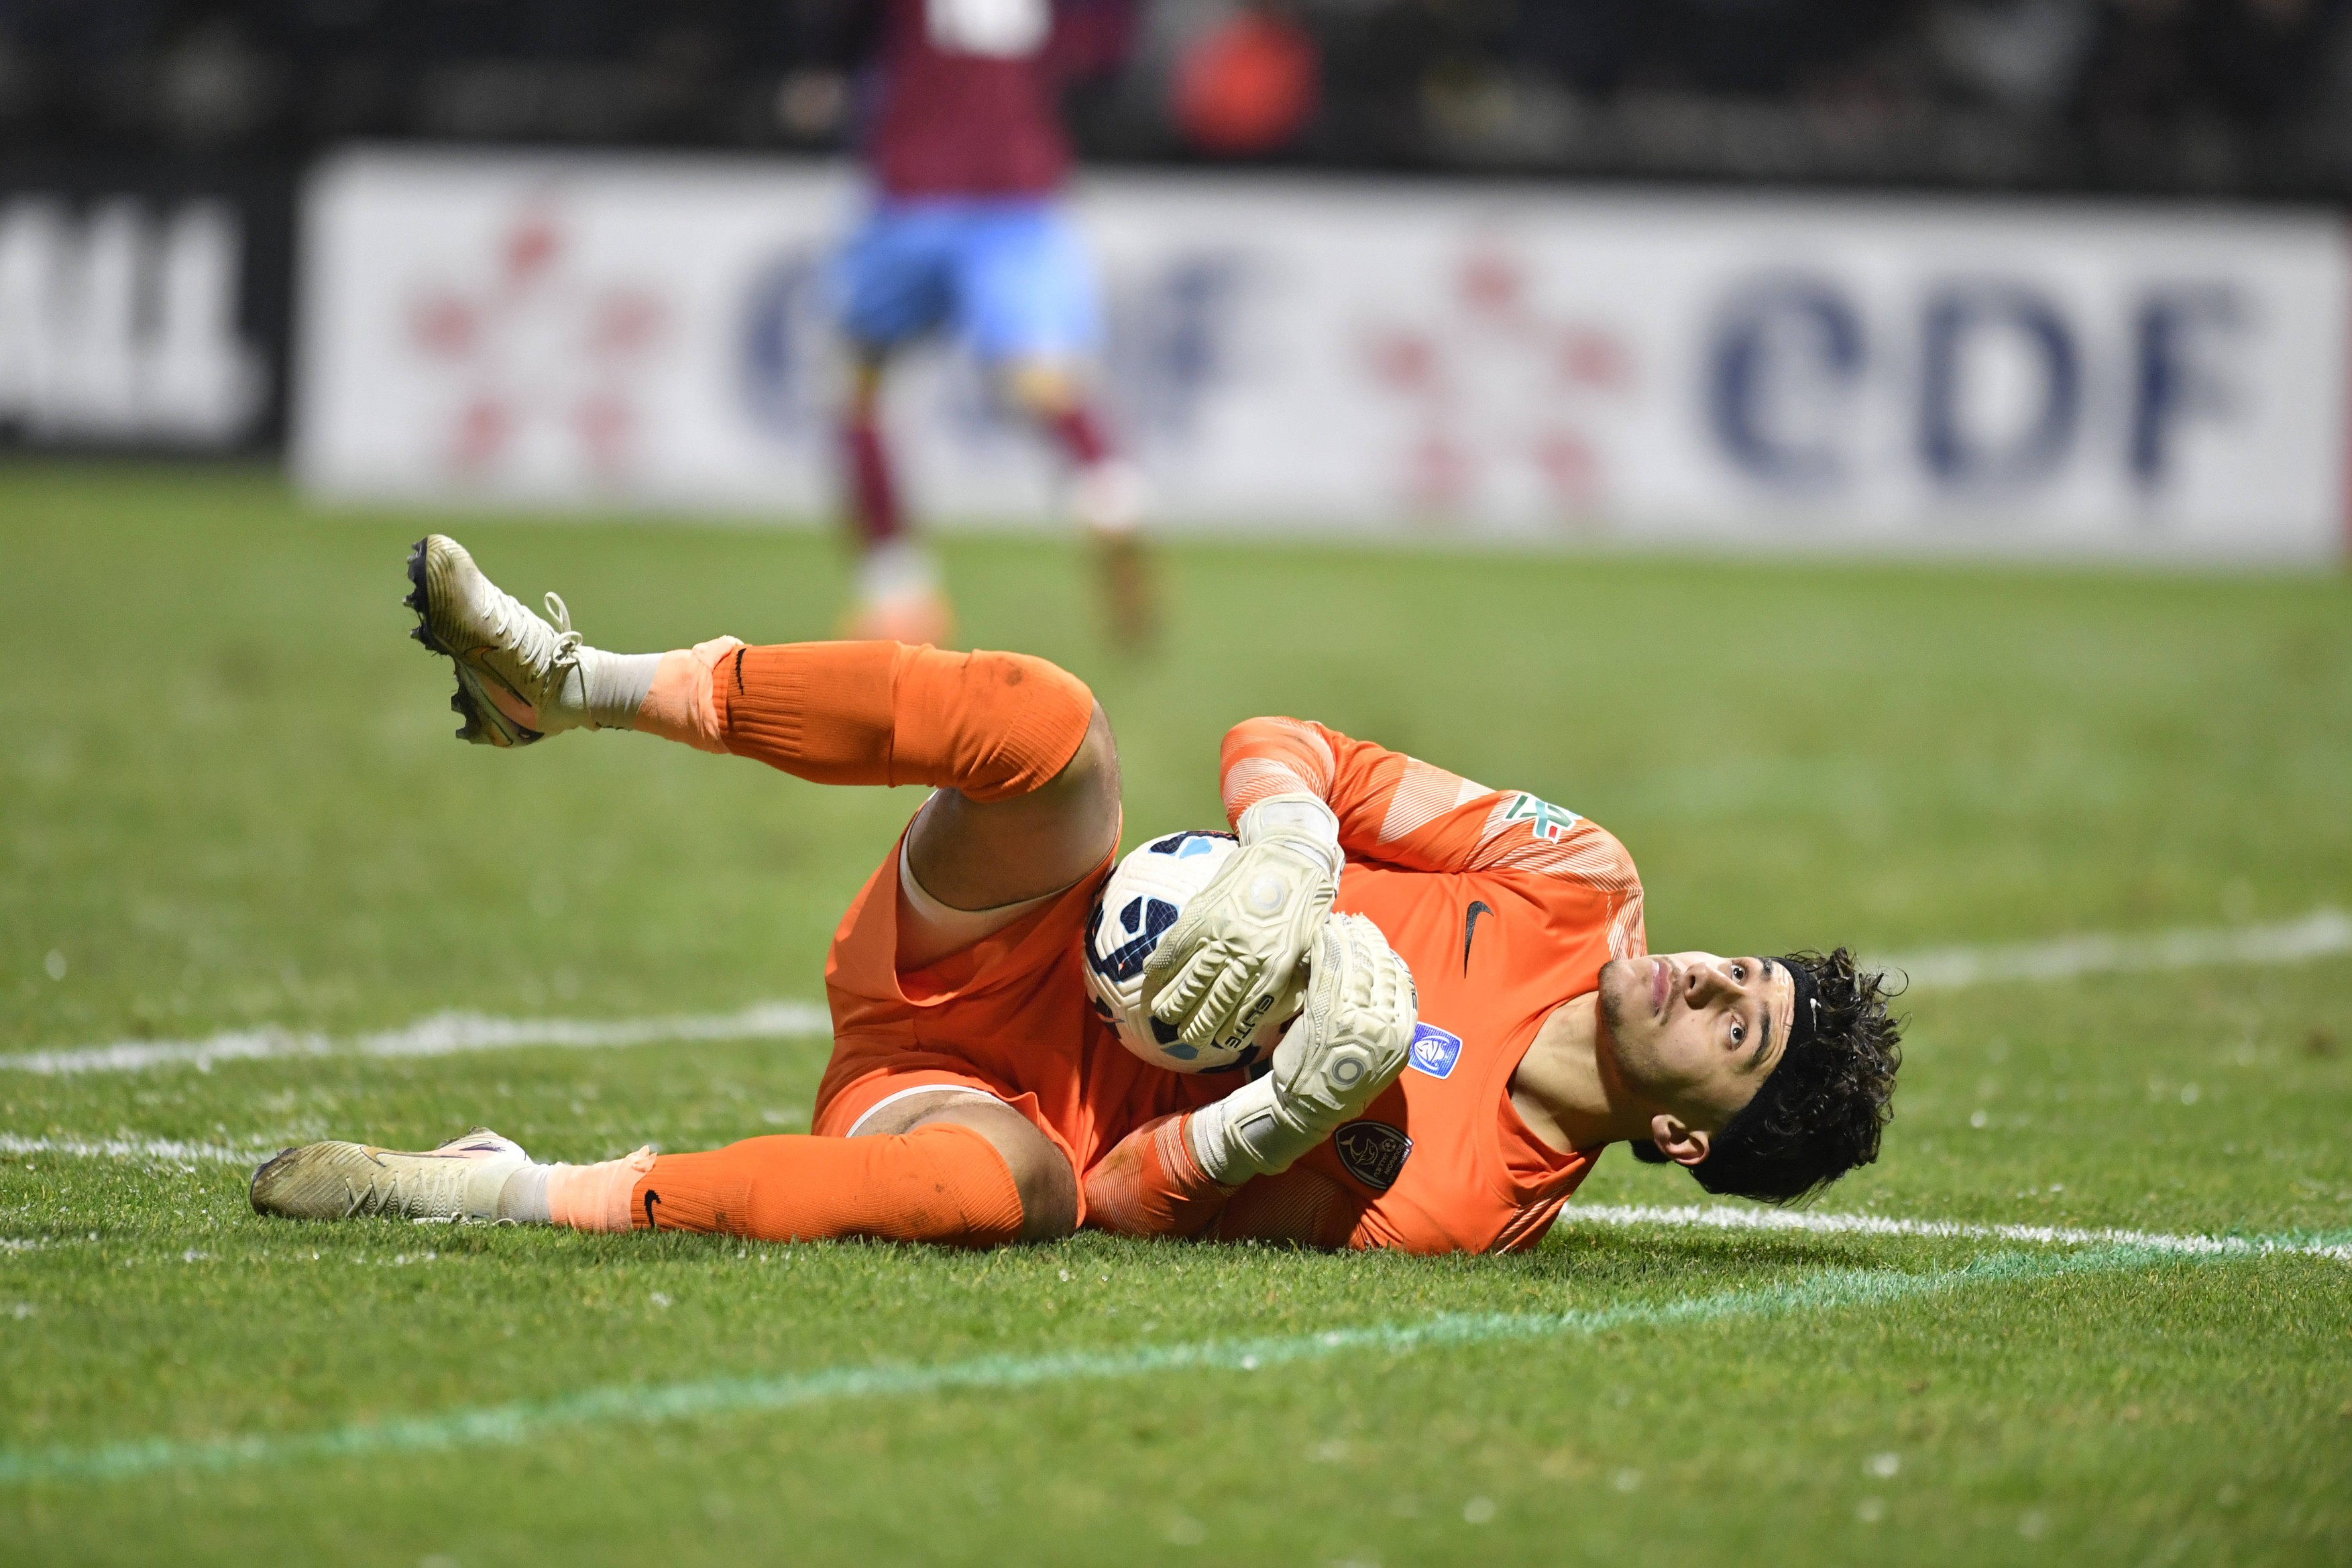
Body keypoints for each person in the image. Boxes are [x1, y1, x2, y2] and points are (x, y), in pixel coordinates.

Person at [249, 537, 1902, 1253]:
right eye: (1735, 967)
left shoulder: (1465, 1212)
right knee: (1048, 724)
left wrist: (1261, 1127)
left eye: (1733, 1027)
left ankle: (489, 1190)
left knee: (1004, 1206)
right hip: (1015, 921)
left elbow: (1119, 1202)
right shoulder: (1578, 876)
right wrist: (1297, 854)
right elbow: (1286, 739)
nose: (1700, 974)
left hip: (966, 1092)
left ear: (1686, 1139)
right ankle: (571, 679)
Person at [815, 0, 1153, 649]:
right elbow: (1103, 55)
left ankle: (899, 595)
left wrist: (827, 70)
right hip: (1020, 188)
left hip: (916, 184)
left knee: (858, 384)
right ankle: (1108, 494)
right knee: (1043, 378)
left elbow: (840, 27)